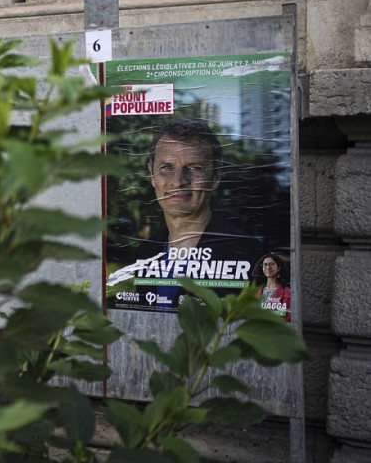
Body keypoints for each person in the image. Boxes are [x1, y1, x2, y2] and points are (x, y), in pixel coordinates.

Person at [108, 118, 264, 312]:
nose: (178, 181)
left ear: (216, 177)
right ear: (152, 175)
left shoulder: (250, 257)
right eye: (166, 167)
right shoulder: (144, 254)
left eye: (194, 168)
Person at [252, 253, 291, 322]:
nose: (268, 267)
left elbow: (285, 316)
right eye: (265, 264)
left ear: (278, 268)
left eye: (271, 264)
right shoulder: (257, 291)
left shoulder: (286, 291)